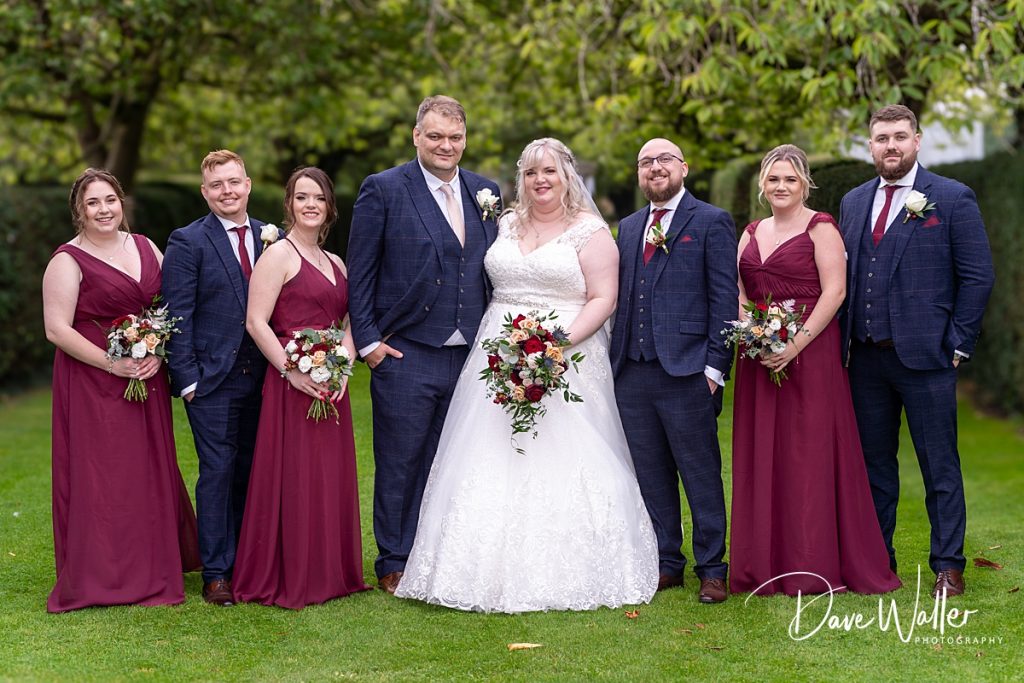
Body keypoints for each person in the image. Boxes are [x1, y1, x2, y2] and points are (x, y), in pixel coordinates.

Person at [394, 138, 658, 613]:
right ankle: (469, 564)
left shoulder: (590, 232)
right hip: (496, 350)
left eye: (551, 171)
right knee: (485, 452)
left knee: (568, 452)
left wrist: (553, 346)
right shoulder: (505, 223)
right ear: (522, 178)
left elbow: (603, 298)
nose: (541, 180)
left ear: (567, 176)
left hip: (567, 353)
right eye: (533, 171)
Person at [729, 145, 901, 596]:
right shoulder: (749, 232)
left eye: (789, 179)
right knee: (764, 454)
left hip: (810, 354)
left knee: (808, 455)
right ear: (762, 186)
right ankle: (762, 564)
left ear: (804, 183)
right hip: (760, 358)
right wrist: (756, 336)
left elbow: (836, 292)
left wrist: (794, 344)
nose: (781, 187)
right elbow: (742, 296)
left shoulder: (821, 227)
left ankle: (811, 565)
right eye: (773, 179)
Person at [347, 95, 502, 594]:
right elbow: (361, 274)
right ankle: (394, 558)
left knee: (457, 458)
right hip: (406, 352)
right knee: (401, 460)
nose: (446, 146)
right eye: (435, 136)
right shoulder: (385, 190)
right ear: (416, 136)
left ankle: (444, 554)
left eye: (455, 137)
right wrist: (368, 342)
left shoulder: (486, 191)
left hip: (471, 355)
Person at [839, 105, 994, 598]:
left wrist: (959, 344)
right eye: (882, 138)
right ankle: (877, 564)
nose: (891, 146)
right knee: (874, 468)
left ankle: (948, 564)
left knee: (939, 465)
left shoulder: (951, 197)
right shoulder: (853, 201)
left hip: (928, 359)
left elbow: (977, 276)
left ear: (917, 141)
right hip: (864, 359)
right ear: (870, 146)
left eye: (900, 137)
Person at [42, 168, 200, 612]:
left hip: (145, 378)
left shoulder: (147, 246)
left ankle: (152, 568)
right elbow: (56, 329)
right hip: (92, 382)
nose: (103, 209)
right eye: (92, 203)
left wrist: (157, 352)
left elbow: (169, 309)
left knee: (147, 471)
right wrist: (115, 364)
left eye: (109, 199)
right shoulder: (66, 260)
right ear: (79, 210)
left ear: (121, 201)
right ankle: (105, 575)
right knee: (104, 476)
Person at [232, 167, 371, 608]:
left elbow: (349, 321)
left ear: (330, 207)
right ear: (289, 204)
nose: (310, 205)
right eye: (301, 197)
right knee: (294, 477)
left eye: (319, 198)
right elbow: (256, 321)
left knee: (328, 476)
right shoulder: (278, 256)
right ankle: (293, 572)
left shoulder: (337, 263)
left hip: (331, 385)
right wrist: (292, 371)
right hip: (292, 388)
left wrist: (343, 366)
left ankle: (331, 570)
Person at [609, 138, 737, 604]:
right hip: (633, 372)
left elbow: (724, 301)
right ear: (639, 173)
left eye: (664, 160)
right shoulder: (626, 227)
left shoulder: (711, 221)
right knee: (651, 472)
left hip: (688, 372)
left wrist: (714, 369)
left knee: (699, 472)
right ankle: (667, 561)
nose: (655, 168)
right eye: (646, 162)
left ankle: (713, 568)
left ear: (684, 167)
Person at [163, 150, 272, 606]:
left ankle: (251, 560)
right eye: (216, 185)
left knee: (255, 468)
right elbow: (177, 315)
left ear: (247, 184)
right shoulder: (188, 242)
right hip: (212, 381)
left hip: (266, 377)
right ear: (204, 192)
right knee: (218, 472)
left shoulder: (274, 237)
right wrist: (187, 380)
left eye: (233, 182)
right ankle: (217, 572)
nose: (227, 191)